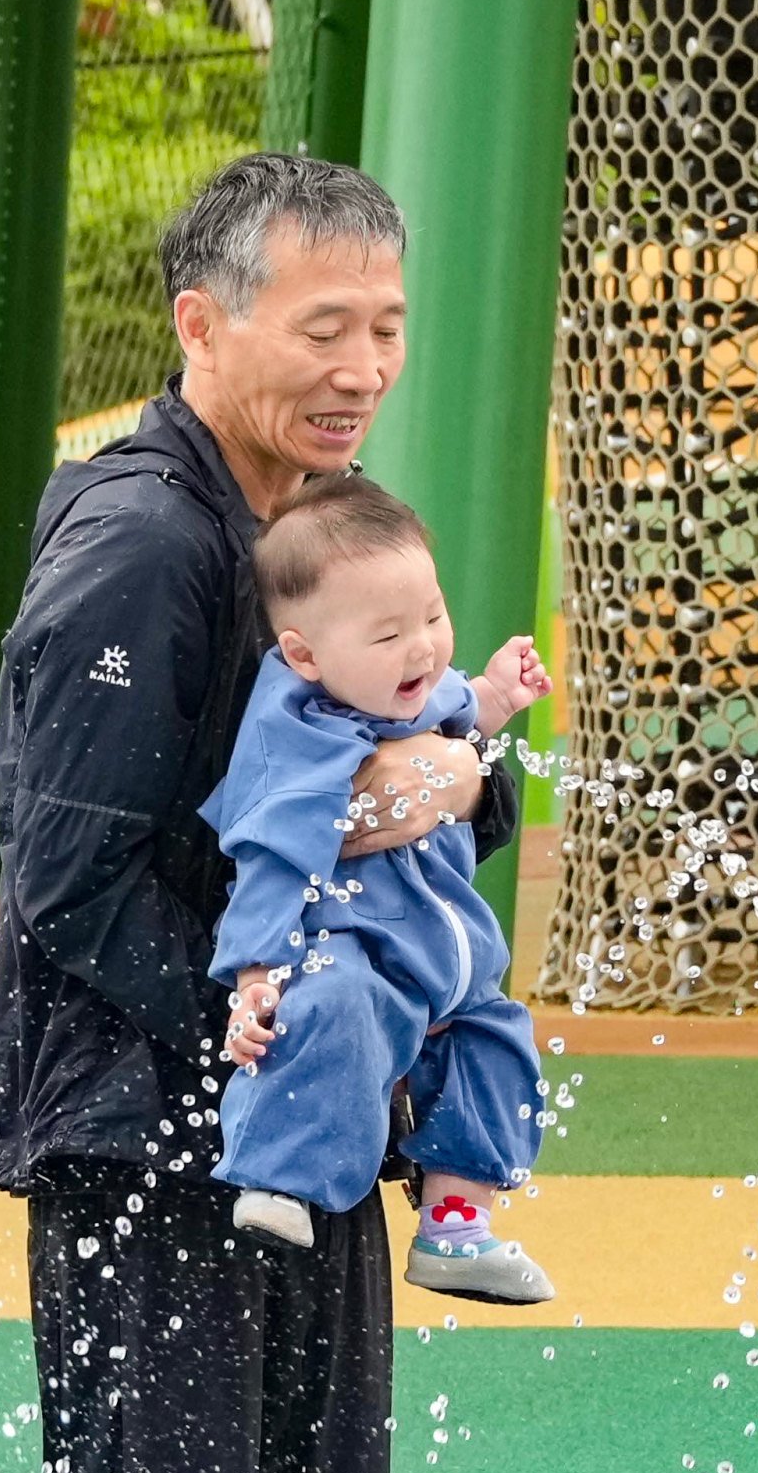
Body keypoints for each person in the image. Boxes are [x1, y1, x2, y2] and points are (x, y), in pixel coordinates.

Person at [0, 153, 501, 1473]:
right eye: (322, 327)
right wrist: (245, 1025)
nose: (363, 365)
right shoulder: (139, 539)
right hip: (148, 1154)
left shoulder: (309, 531)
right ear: (199, 322)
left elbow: (378, 772)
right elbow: (69, 873)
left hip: (295, 1145)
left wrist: (459, 774)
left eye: (387, 327)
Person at [210, 474, 556, 1306]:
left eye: (433, 615)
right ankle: (279, 1179)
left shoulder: (403, 688)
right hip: (360, 946)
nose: (423, 649)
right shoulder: (297, 740)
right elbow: (269, 859)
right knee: (328, 1013)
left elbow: (459, 703)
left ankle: (456, 1225)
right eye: (390, 634)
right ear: (305, 656)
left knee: (495, 1045)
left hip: (450, 957)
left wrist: (497, 696)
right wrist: (254, 976)